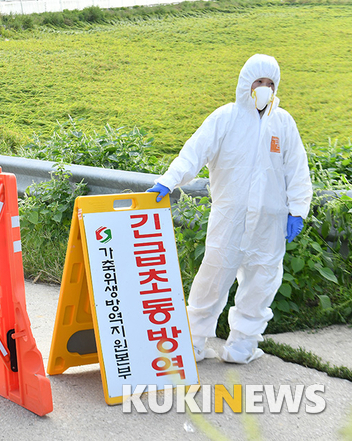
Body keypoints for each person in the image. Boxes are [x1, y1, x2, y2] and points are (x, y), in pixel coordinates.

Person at [147, 54, 312, 364]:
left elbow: (297, 169)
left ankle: (242, 347)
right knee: (213, 278)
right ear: (245, 83)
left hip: (269, 222)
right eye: (259, 81)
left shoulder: (283, 122)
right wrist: (169, 180)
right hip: (229, 218)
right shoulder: (226, 118)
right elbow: (194, 153)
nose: (264, 88)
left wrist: (297, 210)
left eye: (270, 83)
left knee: (261, 282)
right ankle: (194, 342)